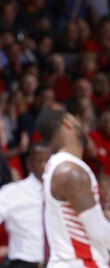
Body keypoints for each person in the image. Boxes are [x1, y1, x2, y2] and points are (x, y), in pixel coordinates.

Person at [37, 107, 110, 267]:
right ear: (67, 123)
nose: (81, 122)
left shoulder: (58, 166)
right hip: (80, 262)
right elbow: (100, 232)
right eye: (76, 118)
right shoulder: (70, 171)